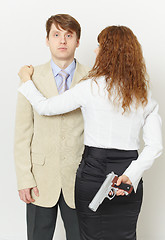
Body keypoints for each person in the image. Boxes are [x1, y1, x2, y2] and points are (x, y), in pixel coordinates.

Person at [18, 26, 162, 240]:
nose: (95, 51)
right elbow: (155, 146)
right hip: (128, 174)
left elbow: (45, 107)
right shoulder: (143, 93)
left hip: (93, 173)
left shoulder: (90, 87)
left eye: (99, 46)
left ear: (108, 53)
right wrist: (131, 175)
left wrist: (26, 80)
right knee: (126, 235)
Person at [14, 14, 89, 240]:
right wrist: (24, 178)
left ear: (78, 41)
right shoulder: (31, 77)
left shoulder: (92, 78)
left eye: (69, 35)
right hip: (40, 179)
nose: (62, 41)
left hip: (80, 179)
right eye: (56, 35)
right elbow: (22, 133)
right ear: (47, 40)